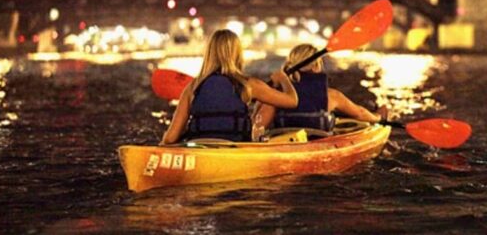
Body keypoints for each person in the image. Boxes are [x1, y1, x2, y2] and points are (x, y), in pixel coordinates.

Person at [160, 29, 299, 145]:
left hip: (200, 150)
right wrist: (284, 79)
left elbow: (170, 138)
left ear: (210, 54)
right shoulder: (249, 85)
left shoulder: (193, 87)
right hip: (234, 151)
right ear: (237, 54)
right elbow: (292, 101)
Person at [254, 44, 385, 134]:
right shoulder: (331, 96)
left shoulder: (276, 96)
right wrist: (378, 117)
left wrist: (261, 101)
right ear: (317, 66)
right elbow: (360, 113)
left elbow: (257, 128)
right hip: (319, 146)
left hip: (285, 147)